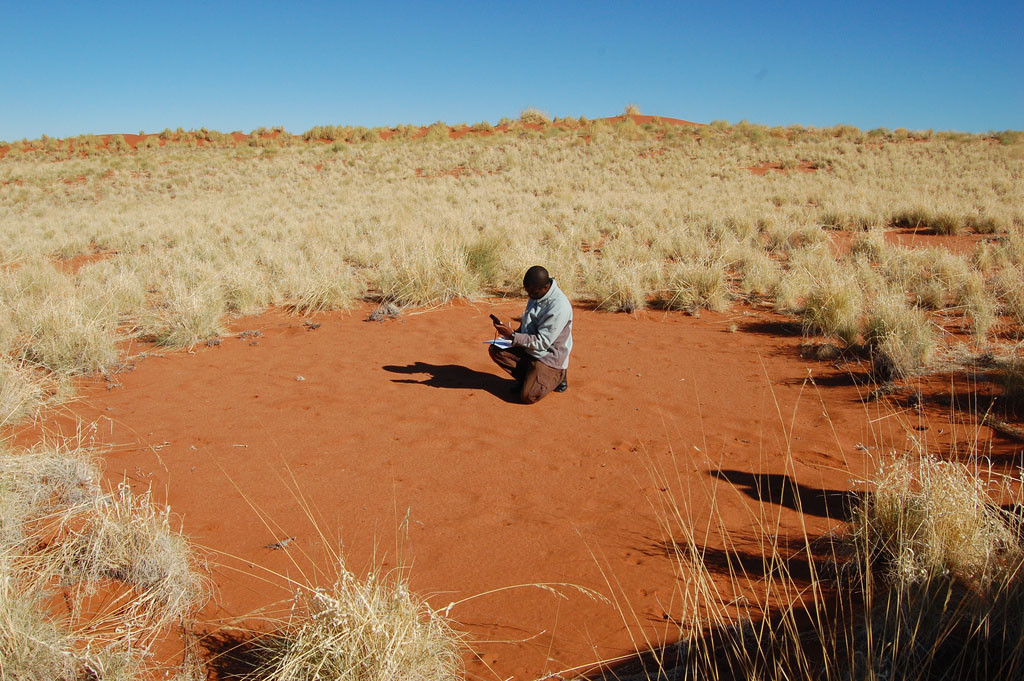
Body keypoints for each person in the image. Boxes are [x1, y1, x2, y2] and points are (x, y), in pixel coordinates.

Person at [489, 265, 572, 404]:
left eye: (532, 291)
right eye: (527, 291)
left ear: (546, 287)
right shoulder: (537, 292)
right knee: (496, 349)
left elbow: (543, 342)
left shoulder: (559, 307)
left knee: (528, 396)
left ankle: (558, 377)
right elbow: (529, 323)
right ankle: (529, 378)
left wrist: (514, 337)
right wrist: (512, 333)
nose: (529, 295)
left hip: (548, 356)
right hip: (531, 350)